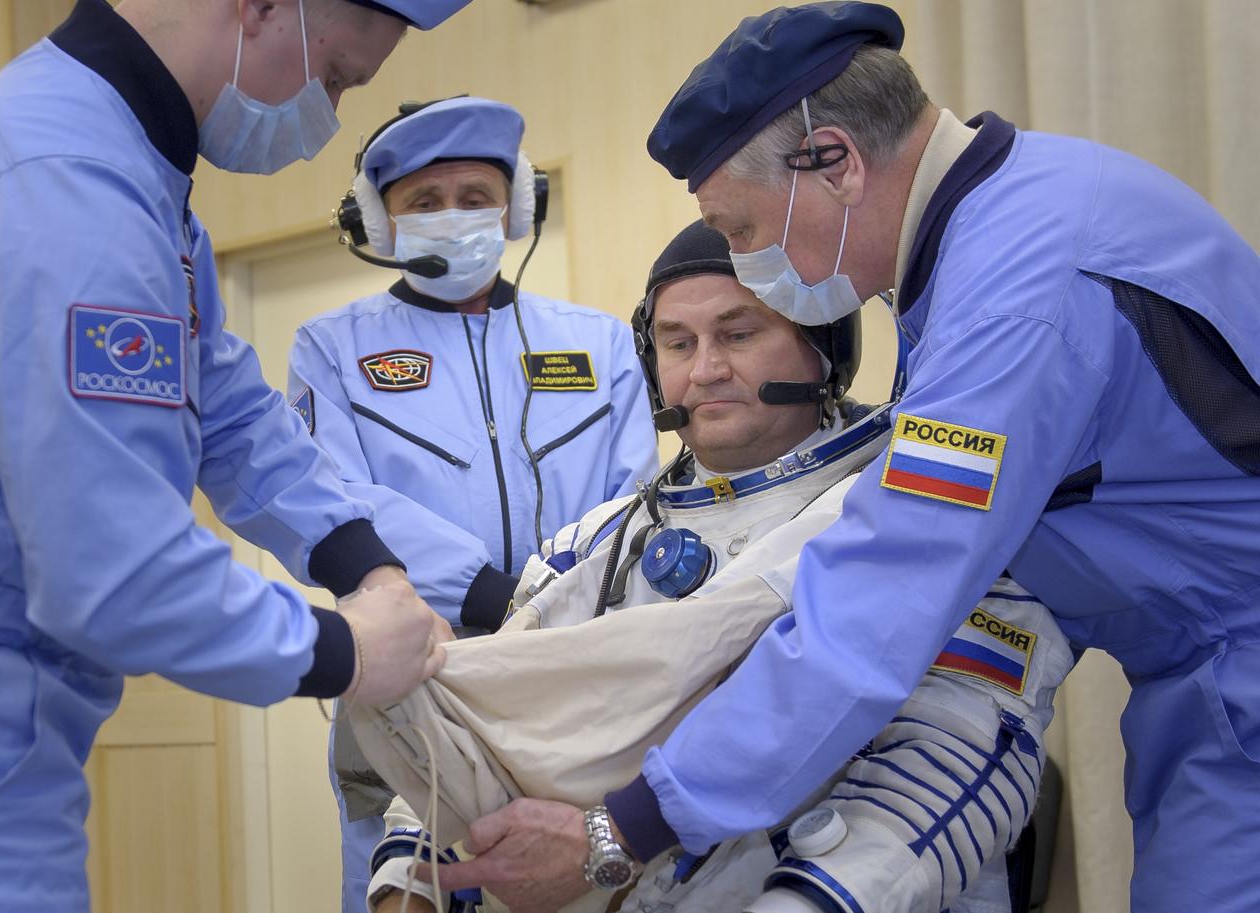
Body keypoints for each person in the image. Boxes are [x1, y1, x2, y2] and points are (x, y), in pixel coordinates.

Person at [437, 3, 1260, 911]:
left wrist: (620, 828)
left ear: (836, 162)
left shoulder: (1013, 298)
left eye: (743, 232)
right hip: (1201, 672)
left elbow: (879, 602)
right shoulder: (1012, 215)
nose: (745, 268)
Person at [350, 221, 1073, 913]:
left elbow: (951, 766)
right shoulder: (591, 548)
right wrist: (409, 876)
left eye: (738, 333)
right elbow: (467, 727)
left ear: (824, 343)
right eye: (676, 342)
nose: (705, 369)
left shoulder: (922, 515)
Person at [0, 0, 470, 910]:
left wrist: (371, 567)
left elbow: (234, 413)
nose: (325, 123)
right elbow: (112, 573)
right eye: (334, 79)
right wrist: (345, 649)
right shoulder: (72, 187)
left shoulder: (134, 173)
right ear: (259, 8)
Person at [288, 95, 658, 912]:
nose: (453, 218)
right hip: (413, 673)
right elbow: (338, 495)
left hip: (575, 678)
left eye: (475, 197)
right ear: (380, 222)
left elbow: (632, 502)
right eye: (425, 201)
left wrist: (559, 609)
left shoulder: (598, 345)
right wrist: (488, 591)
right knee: (406, 885)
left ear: (516, 207)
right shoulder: (332, 350)